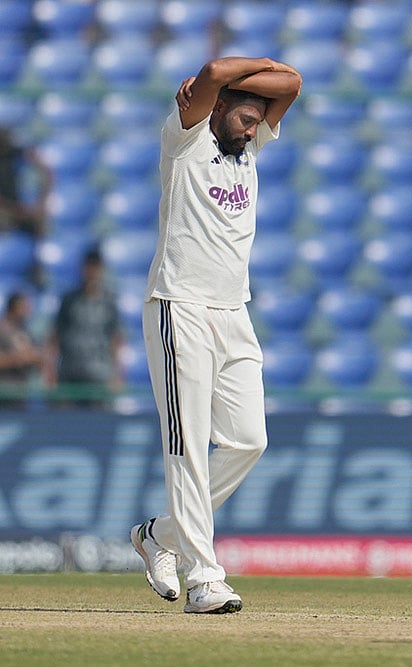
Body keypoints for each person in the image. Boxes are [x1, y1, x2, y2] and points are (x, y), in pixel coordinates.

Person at [129, 56, 301, 615]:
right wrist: (227, 80)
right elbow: (213, 69)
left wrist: (260, 74)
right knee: (188, 448)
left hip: (234, 313)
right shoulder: (186, 141)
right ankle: (205, 577)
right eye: (246, 119)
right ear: (218, 108)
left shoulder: (247, 149)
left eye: (259, 122)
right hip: (180, 307)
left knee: (250, 440)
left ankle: (160, 537)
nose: (254, 130)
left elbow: (293, 83)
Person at [46, 248, 123, 406]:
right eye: (88, 267)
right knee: (67, 425)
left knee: (98, 426)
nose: (91, 272)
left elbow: (115, 339)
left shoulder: (109, 302)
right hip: (70, 375)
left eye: (95, 267)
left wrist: (116, 375)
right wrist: (50, 372)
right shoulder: (69, 301)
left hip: (99, 376)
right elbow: (55, 337)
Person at [0, 127, 52, 237]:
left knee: (40, 227)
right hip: (7, 210)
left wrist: (40, 202)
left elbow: (45, 171)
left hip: (29, 207)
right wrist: (14, 210)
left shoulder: (21, 152)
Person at [0, 291, 43, 406]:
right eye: (24, 306)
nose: (28, 310)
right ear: (14, 307)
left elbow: (38, 356)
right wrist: (20, 358)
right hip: (3, 392)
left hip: (20, 392)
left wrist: (36, 358)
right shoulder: (2, 329)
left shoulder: (25, 330)